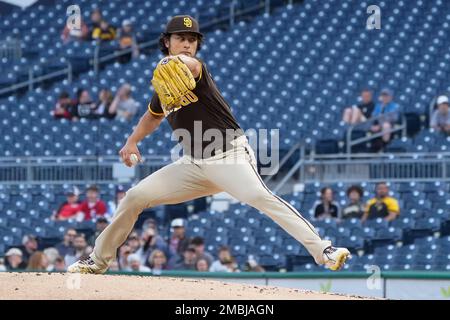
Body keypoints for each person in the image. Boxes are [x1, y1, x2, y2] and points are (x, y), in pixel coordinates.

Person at [68, 15, 350, 274]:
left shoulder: (195, 70)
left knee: (260, 197)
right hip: (193, 163)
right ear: (167, 42)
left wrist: (173, 62)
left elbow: (190, 66)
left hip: (229, 156)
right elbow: (151, 116)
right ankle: (98, 260)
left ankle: (323, 250)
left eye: (192, 40)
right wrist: (132, 141)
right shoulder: (165, 88)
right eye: (181, 38)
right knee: (134, 197)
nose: (188, 44)